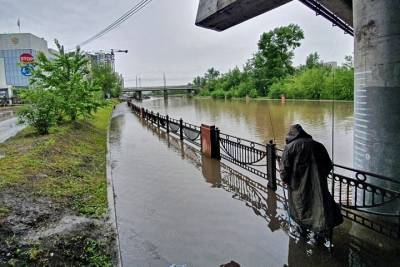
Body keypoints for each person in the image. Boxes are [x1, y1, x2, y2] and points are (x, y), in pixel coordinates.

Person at [280, 124, 343, 246]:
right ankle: (317, 235)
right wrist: (319, 177)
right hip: (318, 185)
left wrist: (285, 179)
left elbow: (284, 170)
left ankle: (302, 231)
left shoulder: (290, 147)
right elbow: (329, 165)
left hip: (298, 186)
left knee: (301, 207)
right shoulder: (318, 145)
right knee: (318, 207)